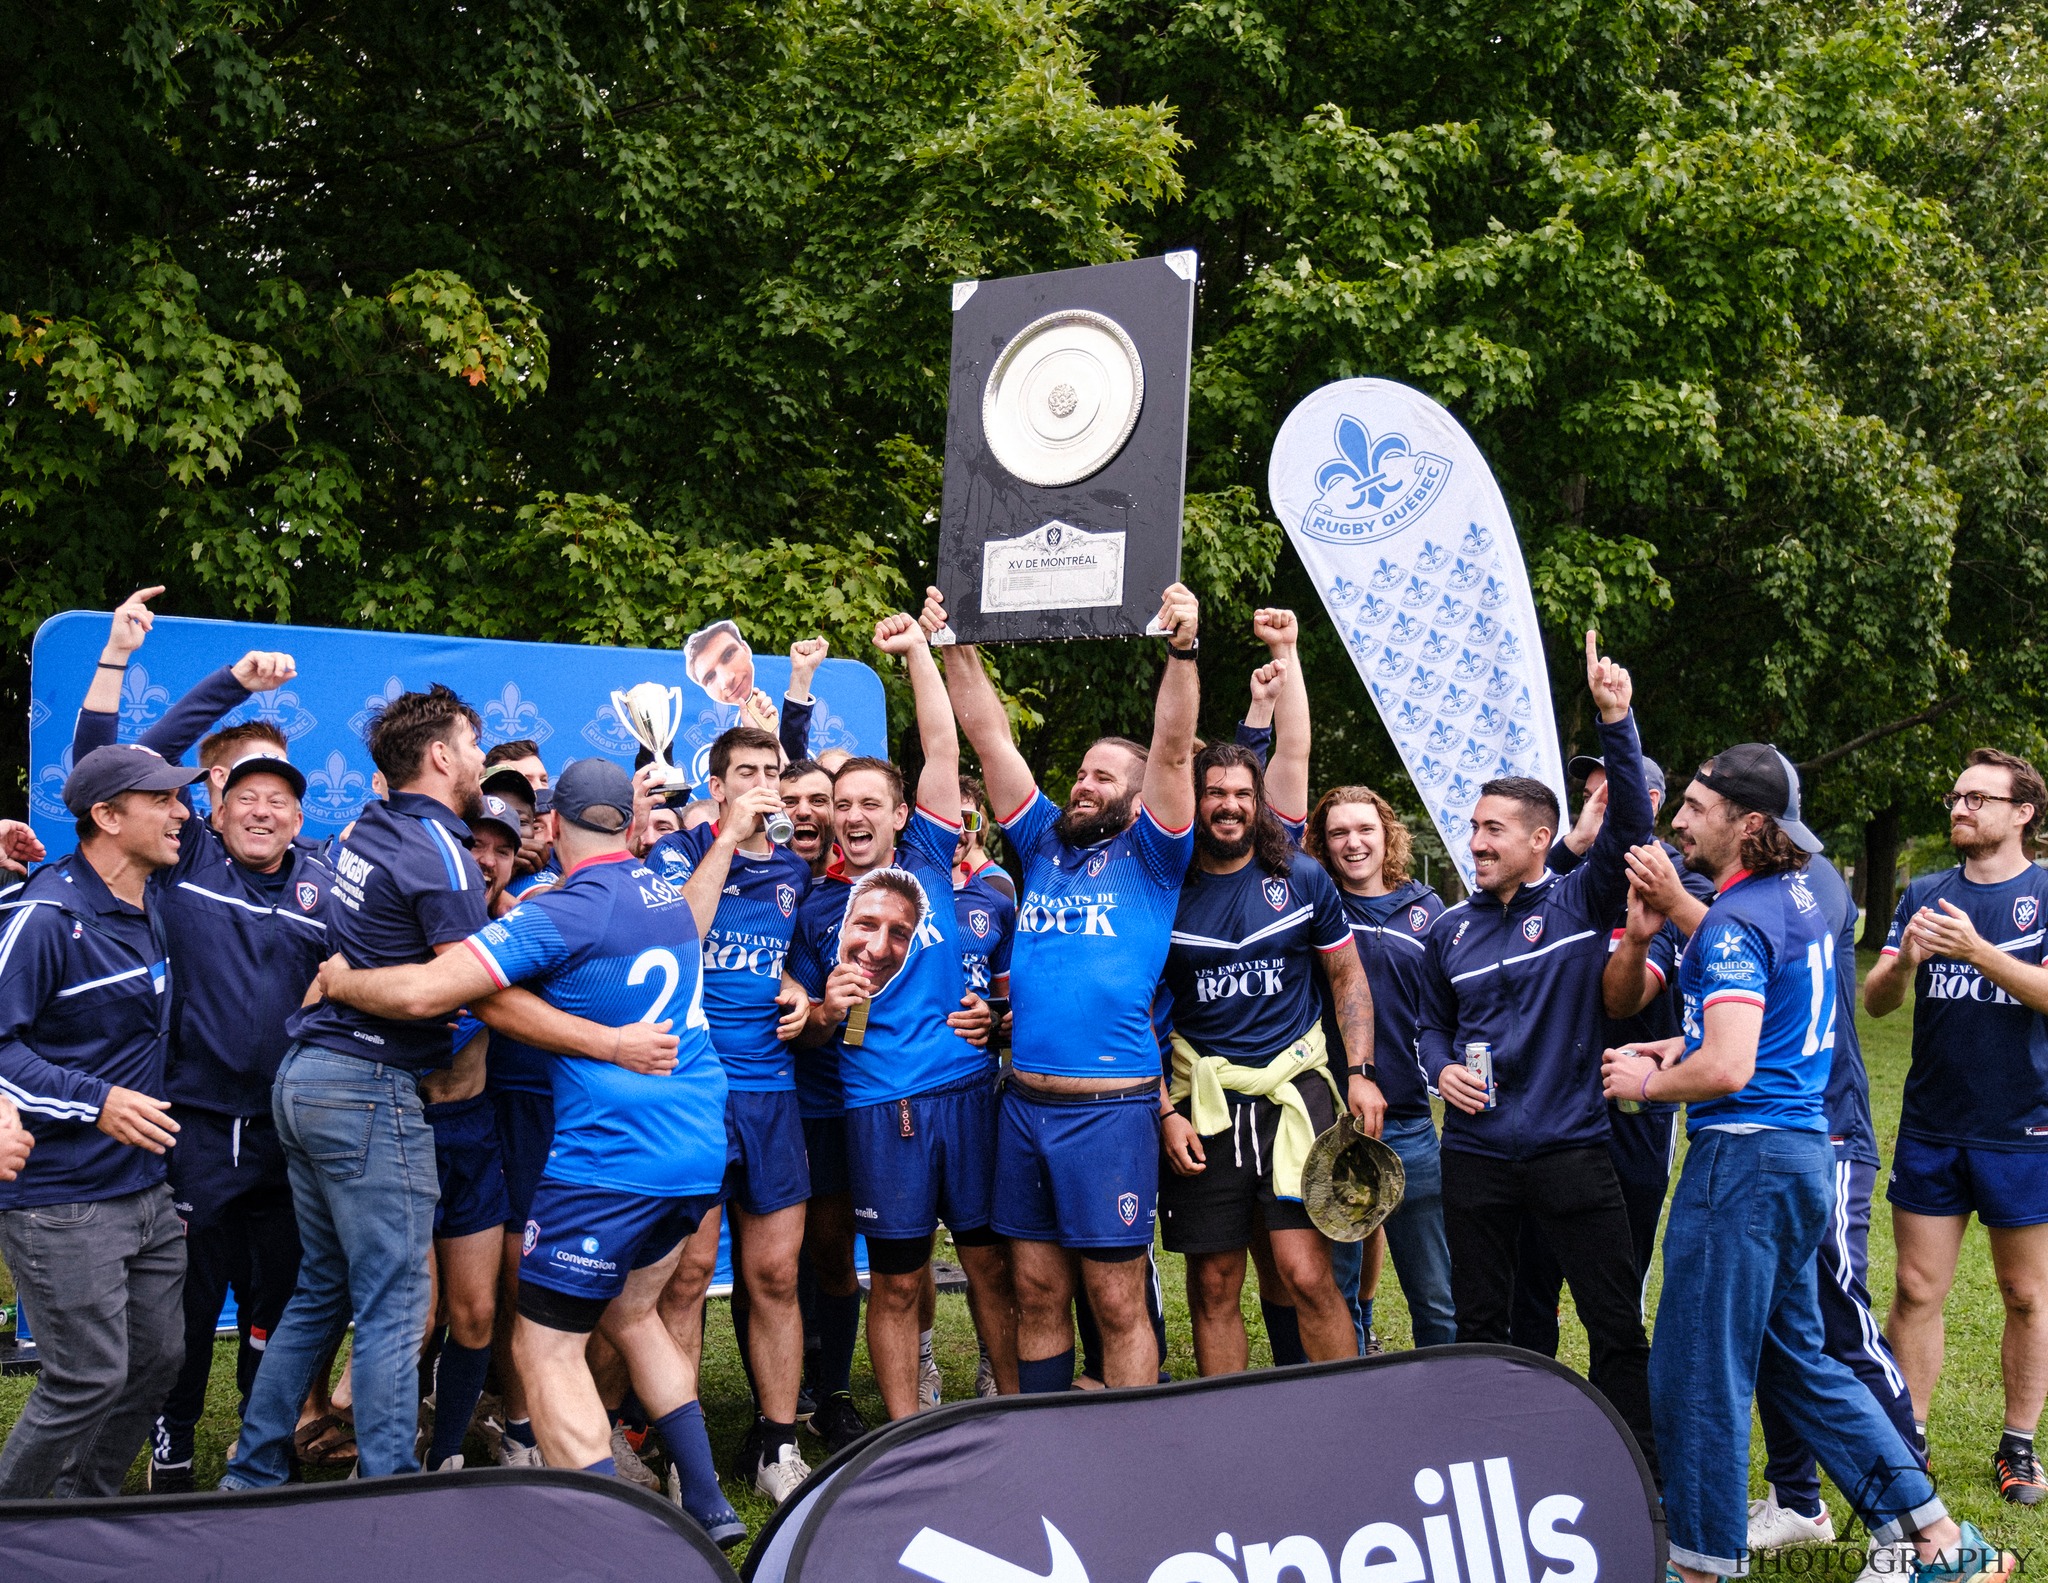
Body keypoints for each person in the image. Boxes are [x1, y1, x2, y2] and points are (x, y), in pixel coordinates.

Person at [222, 687, 672, 1487]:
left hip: (309, 1079)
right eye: (471, 744)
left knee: (324, 1287)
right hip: (367, 1085)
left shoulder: (368, 829)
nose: (478, 758)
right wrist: (607, 1039)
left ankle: (254, 1469)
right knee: (397, 1304)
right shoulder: (441, 851)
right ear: (439, 755)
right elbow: (476, 989)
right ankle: (396, 1491)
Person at [311, 757, 744, 1546]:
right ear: (631, 821)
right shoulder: (661, 893)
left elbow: (424, 992)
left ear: (550, 826)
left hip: (610, 1161)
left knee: (542, 1348)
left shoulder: (566, 910)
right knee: (635, 1312)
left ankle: (615, 1540)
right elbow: (692, 911)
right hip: (693, 1150)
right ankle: (711, 1506)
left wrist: (341, 982)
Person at [1606, 744, 2012, 1583]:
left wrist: (1650, 1079)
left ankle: (1698, 1563)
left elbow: (1727, 1068)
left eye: (1693, 804)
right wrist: (1679, 1042)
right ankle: (1937, 1539)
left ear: (1748, 824)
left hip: (1742, 1164)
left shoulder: (1732, 918)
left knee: (1696, 1370)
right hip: (1799, 1159)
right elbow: (1770, 1027)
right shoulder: (1815, 890)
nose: (1676, 819)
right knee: (1801, 1363)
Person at [65, 597, 333, 1494]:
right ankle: (172, 1436)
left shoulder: (327, 882)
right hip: (192, 1130)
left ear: (301, 812)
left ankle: (263, 1440)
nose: (264, 813)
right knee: (180, 1308)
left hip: (287, 1133)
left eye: (281, 799)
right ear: (211, 804)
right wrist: (230, 683)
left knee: (281, 1303)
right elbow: (120, 763)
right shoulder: (184, 864)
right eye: (246, 796)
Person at [933, 581, 1200, 1391]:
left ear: (1139, 792)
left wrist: (1182, 650)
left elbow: (1176, 745)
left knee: (1115, 1300)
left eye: (1104, 777)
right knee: (1038, 1289)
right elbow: (988, 737)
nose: (1084, 785)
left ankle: (1129, 1461)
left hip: (1108, 1113)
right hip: (1024, 1107)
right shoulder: (1045, 844)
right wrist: (956, 645)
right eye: (1080, 773)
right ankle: (1051, 1448)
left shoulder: (1153, 858)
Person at [1415, 631, 1659, 1474]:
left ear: (1538, 835)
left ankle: (1637, 1475)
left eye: (1491, 829)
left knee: (1613, 1323)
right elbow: (1430, 1025)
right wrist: (1438, 1066)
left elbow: (1631, 822)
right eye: (1473, 827)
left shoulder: (1581, 900)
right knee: (1484, 1327)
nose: (1476, 841)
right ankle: (1496, 1466)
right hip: (1477, 1157)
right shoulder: (1447, 930)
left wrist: (1616, 721)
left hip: (1571, 1150)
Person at [792, 614, 1013, 1420]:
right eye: (841, 803)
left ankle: (1013, 1409)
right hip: (880, 1111)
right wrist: (825, 1009)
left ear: (897, 812)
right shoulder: (813, 906)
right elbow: (812, 1027)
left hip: (964, 1089)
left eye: (868, 802)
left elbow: (944, 747)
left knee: (990, 1267)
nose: (852, 814)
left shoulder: (926, 857)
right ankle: (904, 1431)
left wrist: (920, 652)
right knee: (894, 1277)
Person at [0, 741, 202, 1498]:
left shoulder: (147, 899)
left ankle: (85, 1514)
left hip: (147, 1191)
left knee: (155, 1363)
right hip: (62, 1200)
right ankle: (15, 1532)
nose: (183, 812)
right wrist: (97, 1100)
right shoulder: (47, 915)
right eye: (163, 800)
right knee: (86, 1377)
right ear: (108, 816)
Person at [1866, 748, 2048, 1505]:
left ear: (2022, 813)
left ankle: (2018, 1444)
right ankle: (1908, 1443)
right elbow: (1876, 1001)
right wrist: (1904, 963)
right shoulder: (1925, 892)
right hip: (1934, 1124)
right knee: (1914, 1288)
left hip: (2024, 1128)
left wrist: (1978, 950)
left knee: (2026, 1294)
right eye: (1956, 796)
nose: (1960, 808)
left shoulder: (2045, 893)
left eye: (1978, 798)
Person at [1160, 741, 1374, 1375]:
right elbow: (1137, 1008)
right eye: (1215, 793)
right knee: (1216, 1283)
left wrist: (1360, 1073)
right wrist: (1163, 1110)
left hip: (1295, 1095)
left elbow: (1347, 977)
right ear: (1194, 801)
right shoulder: (1164, 890)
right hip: (1205, 1100)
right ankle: (1233, 1437)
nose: (1229, 806)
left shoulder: (1301, 877)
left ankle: (1341, 1416)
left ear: (1259, 804)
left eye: (1242, 794)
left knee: (1307, 1274)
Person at [643, 725, 817, 1503]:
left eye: (770, 771)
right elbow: (679, 934)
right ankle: (685, 1454)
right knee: (684, 1280)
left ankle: (778, 1444)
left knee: (776, 1274)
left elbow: (809, 969)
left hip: (773, 1095)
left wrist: (805, 995)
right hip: (695, 1089)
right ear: (716, 785)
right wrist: (724, 841)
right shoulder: (680, 851)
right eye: (745, 772)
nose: (761, 783)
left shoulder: (796, 870)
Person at [1509, 753, 1716, 1359]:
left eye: (1610, 796)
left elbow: (1628, 999)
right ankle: (1530, 1415)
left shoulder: (1678, 885)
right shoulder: (1559, 879)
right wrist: (1571, 846)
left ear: (1647, 806)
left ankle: (1625, 1433)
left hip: (1628, 1108)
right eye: (1590, 796)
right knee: (1531, 1281)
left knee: (1616, 1293)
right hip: (1546, 1104)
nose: (1596, 805)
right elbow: (1504, 923)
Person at [1305, 785, 1458, 1351]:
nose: (1354, 842)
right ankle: (1355, 1389)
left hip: (1410, 1122)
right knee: (1335, 1285)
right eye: (1339, 832)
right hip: (1334, 1122)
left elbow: (1448, 1009)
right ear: (1323, 842)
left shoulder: (1427, 910)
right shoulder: (1318, 909)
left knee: (1436, 1291)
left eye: (1365, 829)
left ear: (1386, 833)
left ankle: (1446, 1396)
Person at [413, 793, 526, 1472]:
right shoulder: (406, 921)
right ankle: (382, 1457)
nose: (485, 860)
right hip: (407, 1127)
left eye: (500, 848)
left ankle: (447, 1453)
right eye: (472, 845)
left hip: (477, 1131)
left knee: (477, 1312)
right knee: (415, 1315)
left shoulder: (521, 931)